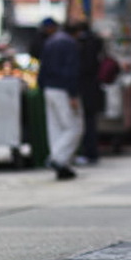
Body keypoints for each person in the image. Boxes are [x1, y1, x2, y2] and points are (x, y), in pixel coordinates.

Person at [38, 22, 84, 180]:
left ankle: (62, 164)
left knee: (56, 127)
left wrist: (42, 86)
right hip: (63, 89)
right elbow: (72, 70)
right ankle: (57, 159)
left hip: (49, 88)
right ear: (77, 32)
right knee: (74, 127)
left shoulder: (50, 41)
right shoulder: (70, 44)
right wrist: (73, 94)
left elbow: (42, 67)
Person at [74, 22, 105, 165]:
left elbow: (84, 68)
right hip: (93, 89)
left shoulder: (85, 47)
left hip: (86, 90)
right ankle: (91, 153)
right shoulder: (96, 44)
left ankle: (89, 153)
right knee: (90, 123)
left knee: (86, 123)